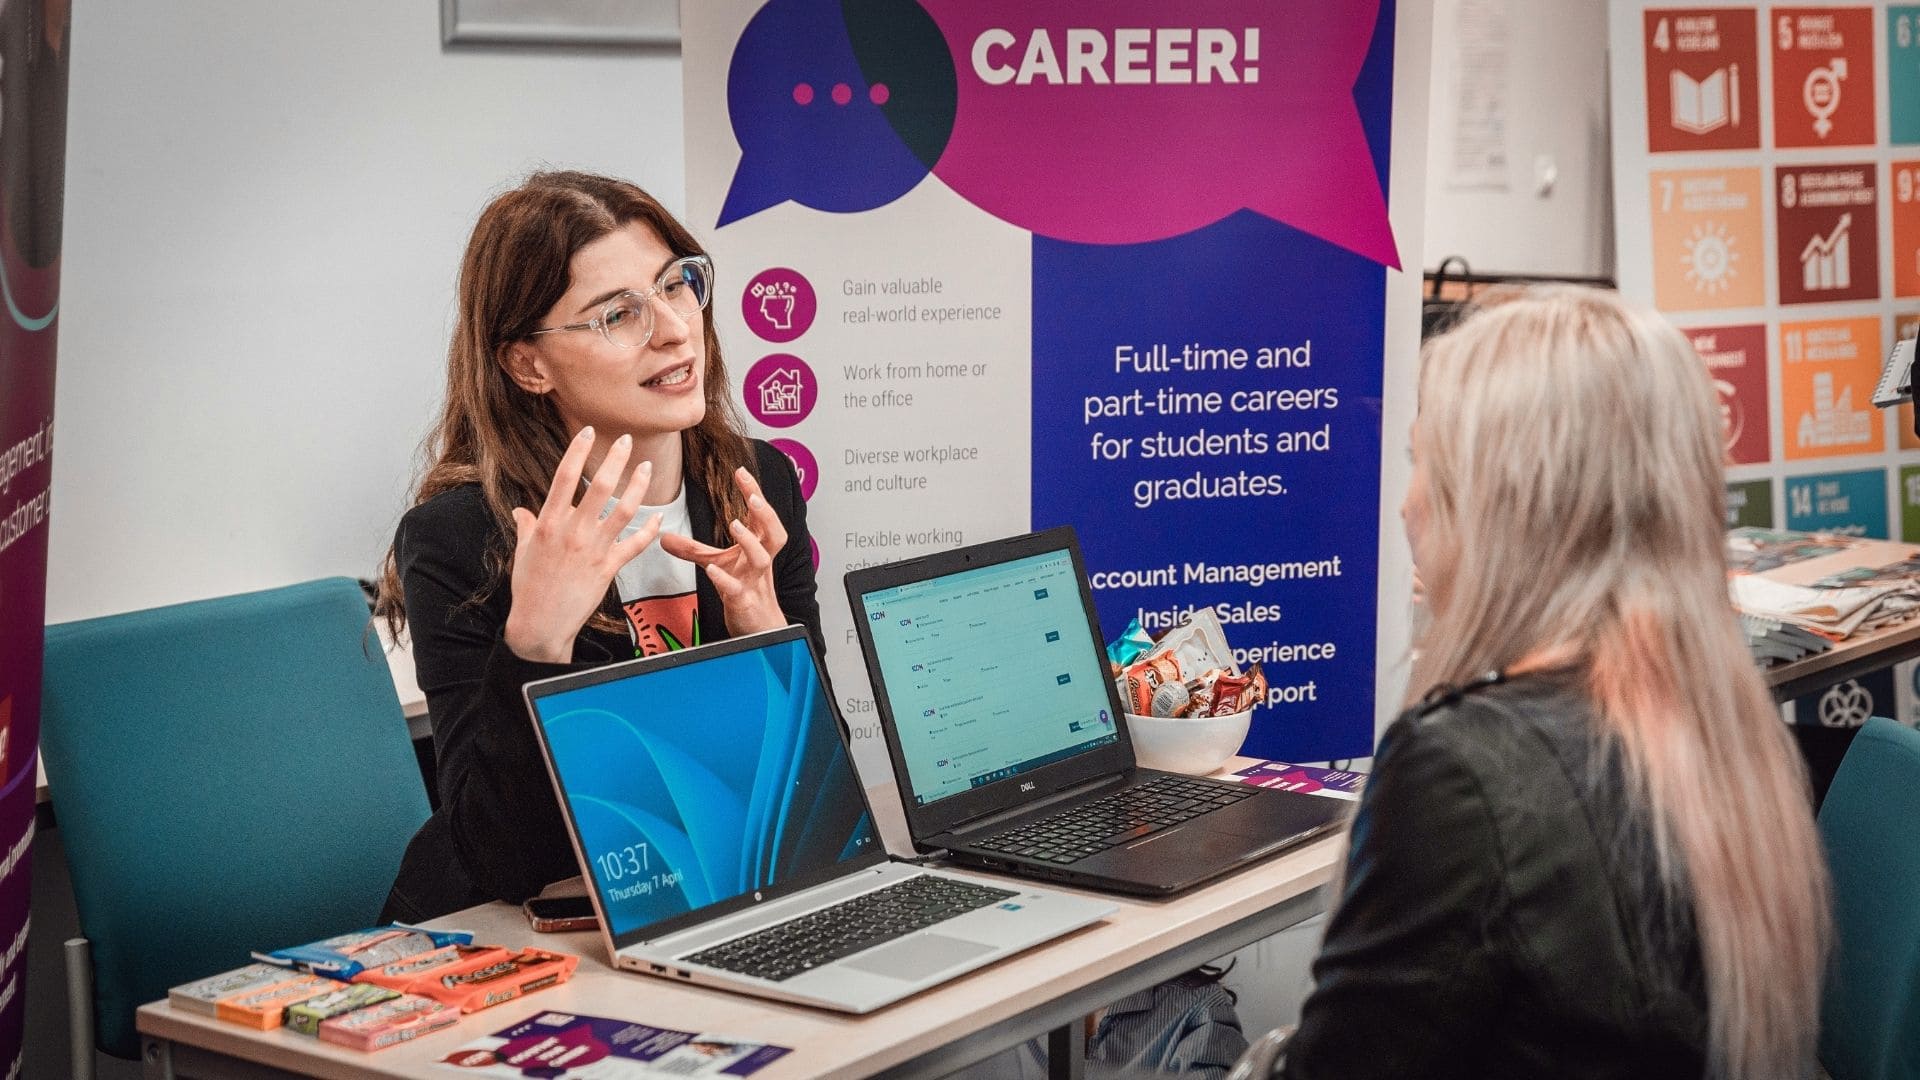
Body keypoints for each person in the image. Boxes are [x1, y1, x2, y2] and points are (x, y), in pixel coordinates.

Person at [1279, 287, 1831, 1079]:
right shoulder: (1719, 719)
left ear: (1510, 506)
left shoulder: (1463, 770)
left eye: (1425, 462)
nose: (1406, 505)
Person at [374, 171, 820, 922]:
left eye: (676, 285)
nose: (676, 329)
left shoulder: (755, 480)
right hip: (525, 927)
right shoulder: (462, 538)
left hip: (710, 894)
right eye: (618, 314)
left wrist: (765, 635)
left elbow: (810, 796)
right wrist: (537, 638)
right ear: (528, 364)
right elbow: (501, 857)